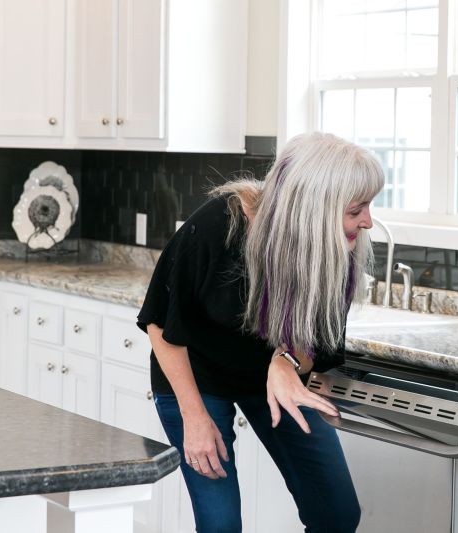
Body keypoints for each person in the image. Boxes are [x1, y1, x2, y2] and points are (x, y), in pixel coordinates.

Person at [137, 132, 384, 533]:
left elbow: (316, 335)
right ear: (311, 208)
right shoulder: (219, 225)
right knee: (221, 525)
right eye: (356, 209)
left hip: (271, 379)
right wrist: (194, 419)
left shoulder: (339, 246)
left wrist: (286, 361)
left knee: (337, 514)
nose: (368, 221)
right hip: (195, 376)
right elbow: (161, 324)